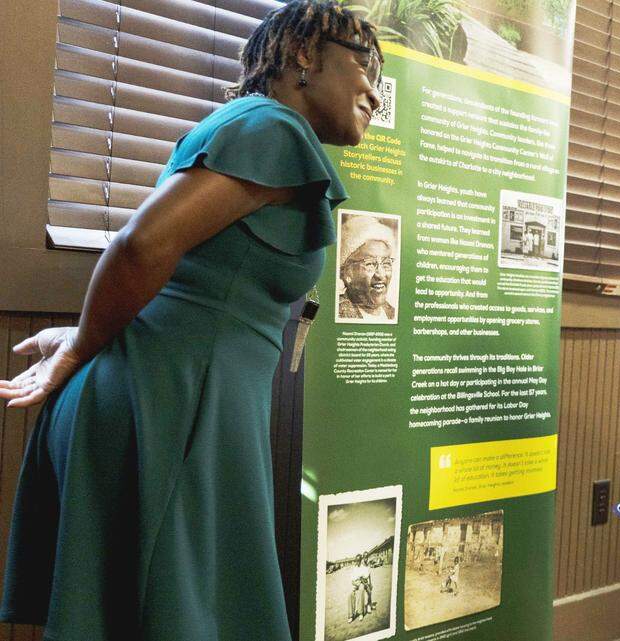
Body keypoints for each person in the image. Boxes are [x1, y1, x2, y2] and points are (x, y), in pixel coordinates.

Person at [0, 2, 384, 639]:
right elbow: (140, 247)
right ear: (303, 57)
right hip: (175, 409)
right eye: (360, 63)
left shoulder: (247, 128)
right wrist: (78, 349)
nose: (373, 86)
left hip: (167, 399)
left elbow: (179, 278)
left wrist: (82, 338)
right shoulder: (272, 128)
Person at [338, 215, 396, 321]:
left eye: (386, 263)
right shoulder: (338, 312)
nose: (381, 274)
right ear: (347, 273)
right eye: (370, 264)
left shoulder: (393, 314)